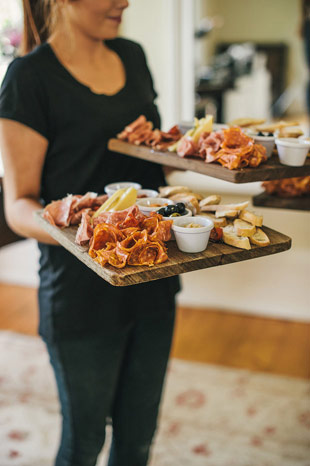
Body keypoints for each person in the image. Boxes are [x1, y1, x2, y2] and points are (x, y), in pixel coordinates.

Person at [0, 1, 180, 465]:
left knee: (139, 439)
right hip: (80, 295)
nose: (124, 1)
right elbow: (19, 206)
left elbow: (156, 171)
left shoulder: (133, 56)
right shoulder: (28, 79)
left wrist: (168, 152)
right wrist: (88, 230)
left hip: (154, 280)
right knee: (84, 444)